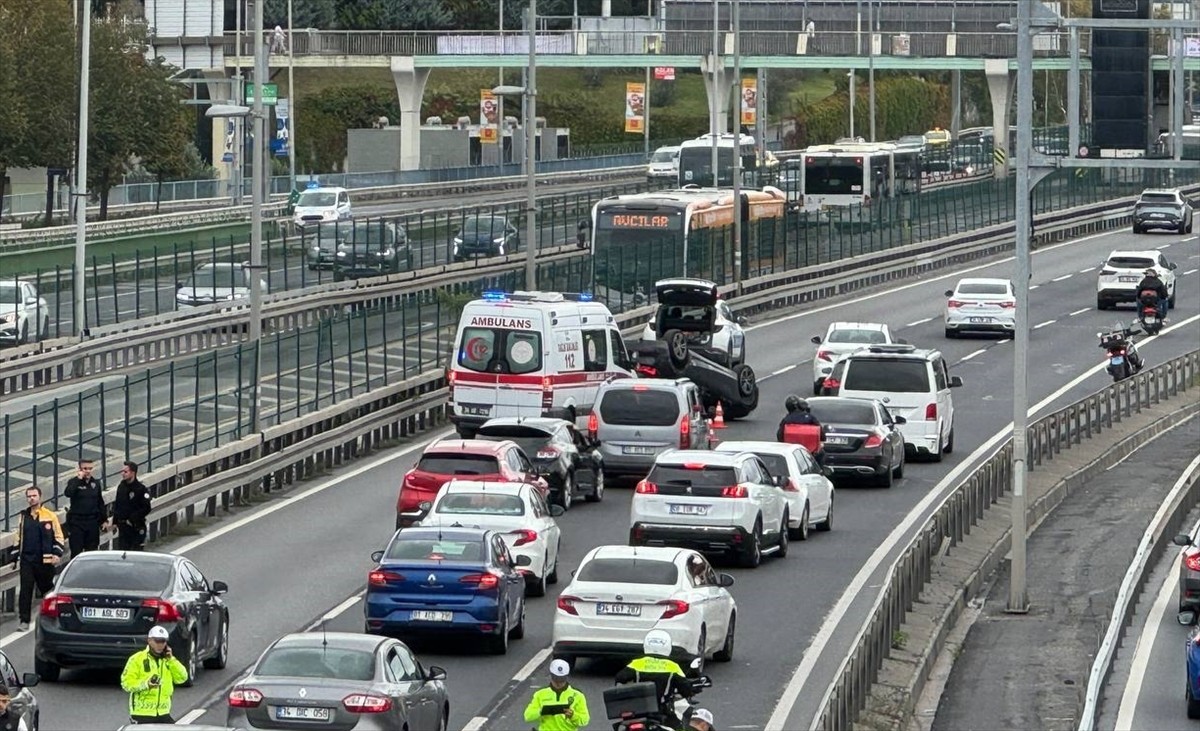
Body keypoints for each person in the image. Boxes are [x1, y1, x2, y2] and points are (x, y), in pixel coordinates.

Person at [614, 630, 696, 725]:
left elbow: (620, 678)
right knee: (678, 725)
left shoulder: (636, 663)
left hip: (638, 710)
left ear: (646, 645)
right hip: (661, 710)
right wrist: (689, 691)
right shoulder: (673, 667)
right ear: (668, 646)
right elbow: (685, 687)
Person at [14, 486, 64, 632]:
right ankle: (24, 621)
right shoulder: (23, 516)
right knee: (25, 590)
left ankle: (56, 617)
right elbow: (19, 536)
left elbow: (59, 536)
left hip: (45, 560)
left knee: (48, 590)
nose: (31, 499)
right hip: (27, 559)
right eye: (29, 496)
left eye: (34, 496)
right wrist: (14, 556)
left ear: (40, 497)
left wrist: (57, 553)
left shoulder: (49, 515)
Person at [120, 625, 188, 724]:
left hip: (163, 713)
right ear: (149, 641)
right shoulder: (137, 659)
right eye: (157, 641)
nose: (160, 645)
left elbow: (182, 678)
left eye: (163, 641)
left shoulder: (168, 660)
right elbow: (126, 683)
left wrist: (171, 660)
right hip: (141, 714)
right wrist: (146, 684)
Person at [522, 659, 590, 731]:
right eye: (555, 679)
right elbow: (527, 716)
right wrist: (542, 711)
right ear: (551, 676)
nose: (558, 683)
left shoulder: (577, 695)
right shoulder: (540, 694)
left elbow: (585, 720)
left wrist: (573, 715)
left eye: (561, 679)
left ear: (566, 677)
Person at [64, 458, 108, 557]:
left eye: (90, 468)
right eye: (85, 468)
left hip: (92, 522)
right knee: (76, 552)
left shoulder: (95, 483)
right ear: (79, 469)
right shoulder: (73, 482)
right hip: (77, 522)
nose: (88, 471)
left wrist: (104, 520)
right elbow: (68, 493)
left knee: (92, 553)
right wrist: (79, 479)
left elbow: (100, 502)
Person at [113, 461, 152, 551]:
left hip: (136, 527)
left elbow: (147, 508)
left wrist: (132, 519)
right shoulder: (121, 487)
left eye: (125, 472)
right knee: (123, 553)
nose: (123, 474)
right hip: (123, 528)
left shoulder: (141, 489)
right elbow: (117, 505)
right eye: (122, 471)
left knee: (136, 553)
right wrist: (115, 522)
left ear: (133, 473)